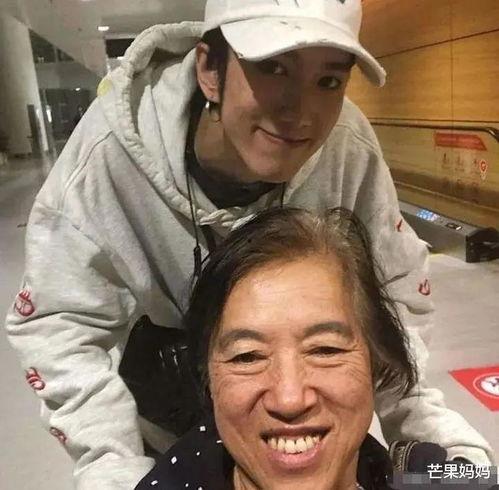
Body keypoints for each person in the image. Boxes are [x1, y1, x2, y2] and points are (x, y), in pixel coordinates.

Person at [4, 0, 493, 488]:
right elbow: (59, 323)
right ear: (210, 71)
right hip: (164, 413)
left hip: (311, 435)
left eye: (328, 80)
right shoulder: (107, 158)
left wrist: (424, 431)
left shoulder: (346, 148)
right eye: (273, 68)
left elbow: (393, 294)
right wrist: (114, 465)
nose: (300, 113)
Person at [133, 208, 458, 490]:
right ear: (209, 380)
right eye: (248, 356)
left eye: (325, 350)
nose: (289, 399)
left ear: (377, 362)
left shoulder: (417, 473)